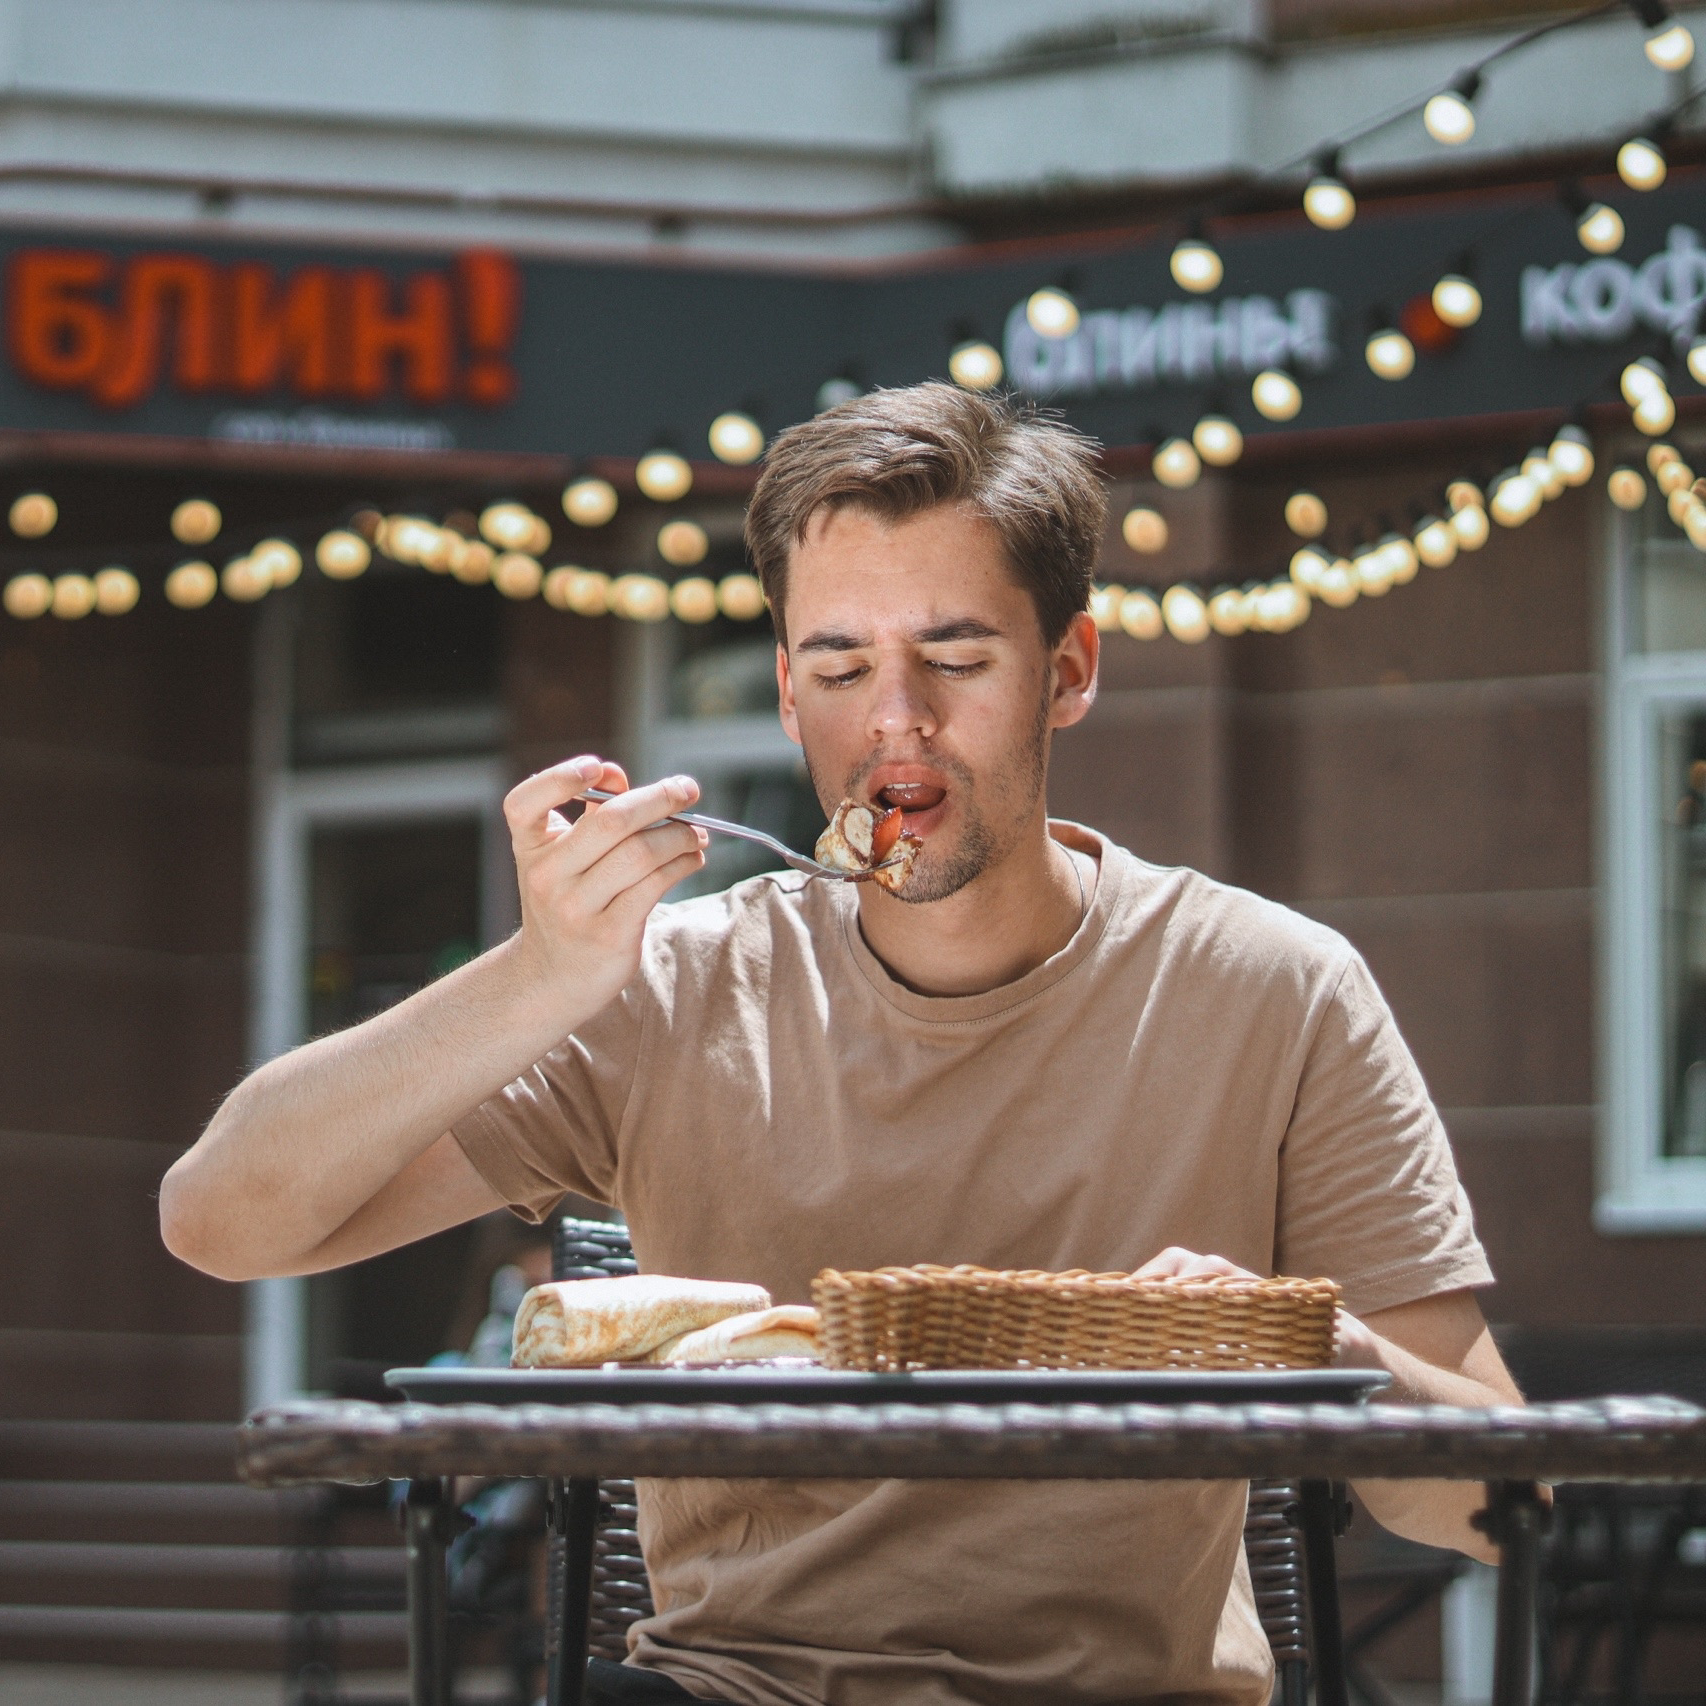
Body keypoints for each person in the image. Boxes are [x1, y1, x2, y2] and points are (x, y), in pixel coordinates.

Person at [161, 383, 1520, 1706]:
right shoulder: (672, 987)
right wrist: (537, 973)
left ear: (1069, 670)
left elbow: (1496, 1501)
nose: (896, 719)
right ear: (787, 689)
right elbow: (221, 1218)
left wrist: (1302, 1340)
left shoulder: (1270, 989)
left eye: (957, 656)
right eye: (841, 663)